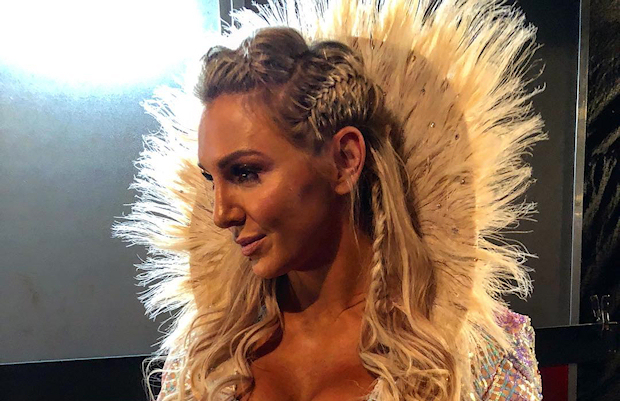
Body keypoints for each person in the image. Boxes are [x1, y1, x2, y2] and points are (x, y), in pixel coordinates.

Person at [114, 0, 546, 400]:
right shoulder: (203, 360)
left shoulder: (479, 356)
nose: (221, 214)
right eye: (212, 179)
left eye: (245, 173)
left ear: (344, 160)